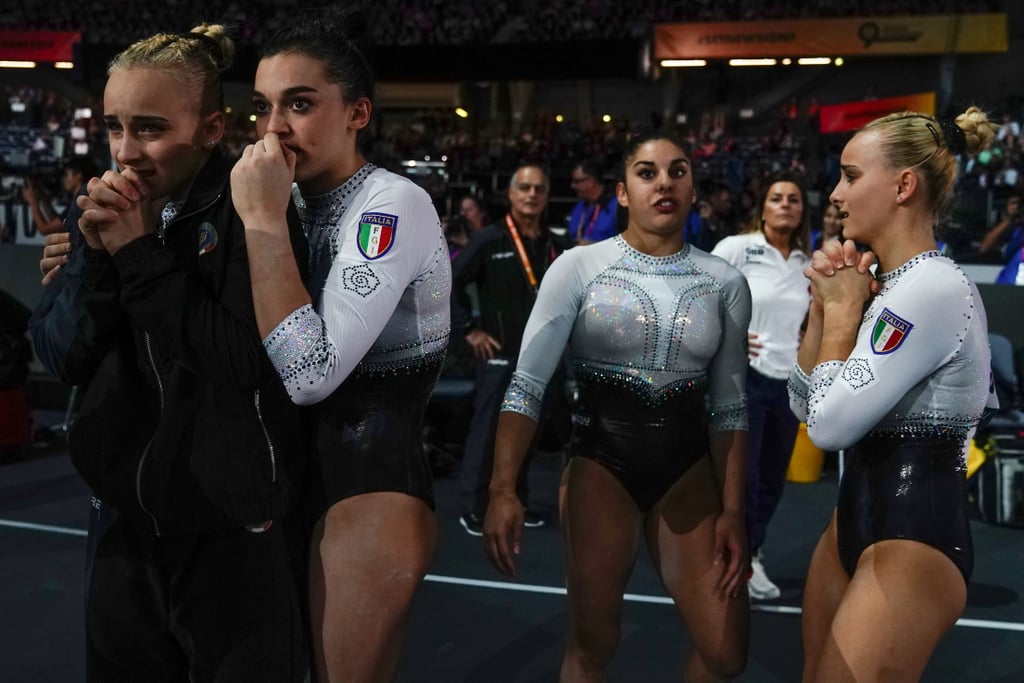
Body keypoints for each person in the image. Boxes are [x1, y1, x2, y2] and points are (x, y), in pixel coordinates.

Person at [30, 25, 311, 680]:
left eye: (150, 128)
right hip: (123, 526)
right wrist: (97, 264)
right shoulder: (103, 211)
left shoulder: (256, 209)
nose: (126, 151)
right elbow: (63, 357)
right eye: (113, 126)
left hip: (234, 530)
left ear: (212, 129)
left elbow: (244, 362)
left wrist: (135, 256)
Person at [229, 8, 451, 682]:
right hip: (283, 480)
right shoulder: (287, 202)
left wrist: (262, 221)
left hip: (368, 483)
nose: (275, 127)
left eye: (300, 103)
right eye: (263, 106)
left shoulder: (392, 204)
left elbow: (310, 372)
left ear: (358, 113)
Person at [484, 127, 751, 682]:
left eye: (678, 171)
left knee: (726, 652)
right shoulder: (577, 268)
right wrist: (503, 488)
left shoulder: (724, 281)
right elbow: (527, 383)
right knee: (594, 643)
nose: (664, 184)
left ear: (693, 187)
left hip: (688, 470)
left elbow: (729, 406)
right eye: (647, 173)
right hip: (600, 465)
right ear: (623, 192)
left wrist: (732, 510)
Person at [789, 106, 998, 682]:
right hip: (851, 523)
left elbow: (829, 430)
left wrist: (842, 312)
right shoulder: (890, 283)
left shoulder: (933, 287)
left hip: (915, 536)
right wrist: (822, 305)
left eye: (851, 176)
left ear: (904, 185)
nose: (835, 193)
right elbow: (804, 407)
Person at [712, 170, 812, 601]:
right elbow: (700, 291)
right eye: (777, 197)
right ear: (763, 207)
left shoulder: (809, 263)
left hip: (788, 383)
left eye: (793, 198)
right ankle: (736, 560)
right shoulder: (738, 248)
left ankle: (750, 554)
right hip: (744, 380)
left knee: (772, 480)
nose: (786, 204)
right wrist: (725, 334)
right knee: (744, 480)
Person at [451, 163, 566, 537]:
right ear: (512, 194)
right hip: (499, 357)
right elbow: (444, 285)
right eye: (524, 188)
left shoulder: (553, 245)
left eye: (538, 188)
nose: (532, 194)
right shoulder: (489, 240)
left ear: (546, 196)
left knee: (526, 434)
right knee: (488, 432)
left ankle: (519, 500)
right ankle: (473, 507)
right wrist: (469, 331)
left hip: (541, 358)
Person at [567, 158, 619, 245]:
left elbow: (629, 246)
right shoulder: (579, 207)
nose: (572, 186)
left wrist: (593, 246)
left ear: (590, 181)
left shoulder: (617, 206)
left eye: (576, 181)